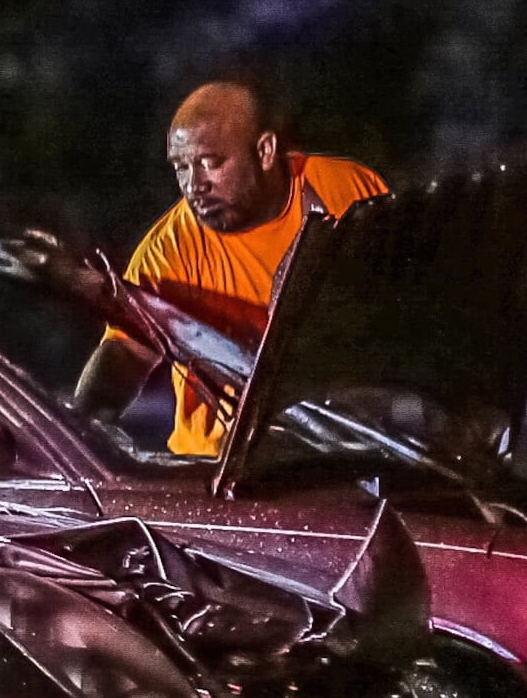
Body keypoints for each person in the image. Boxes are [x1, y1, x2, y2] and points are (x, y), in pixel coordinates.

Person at [73, 80, 387, 456]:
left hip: (347, 455)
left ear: (265, 151)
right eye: (181, 168)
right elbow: (125, 353)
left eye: (210, 163)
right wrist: (75, 432)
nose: (194, 186)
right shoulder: (169, 252)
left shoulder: (347, 190)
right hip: (218, 473)